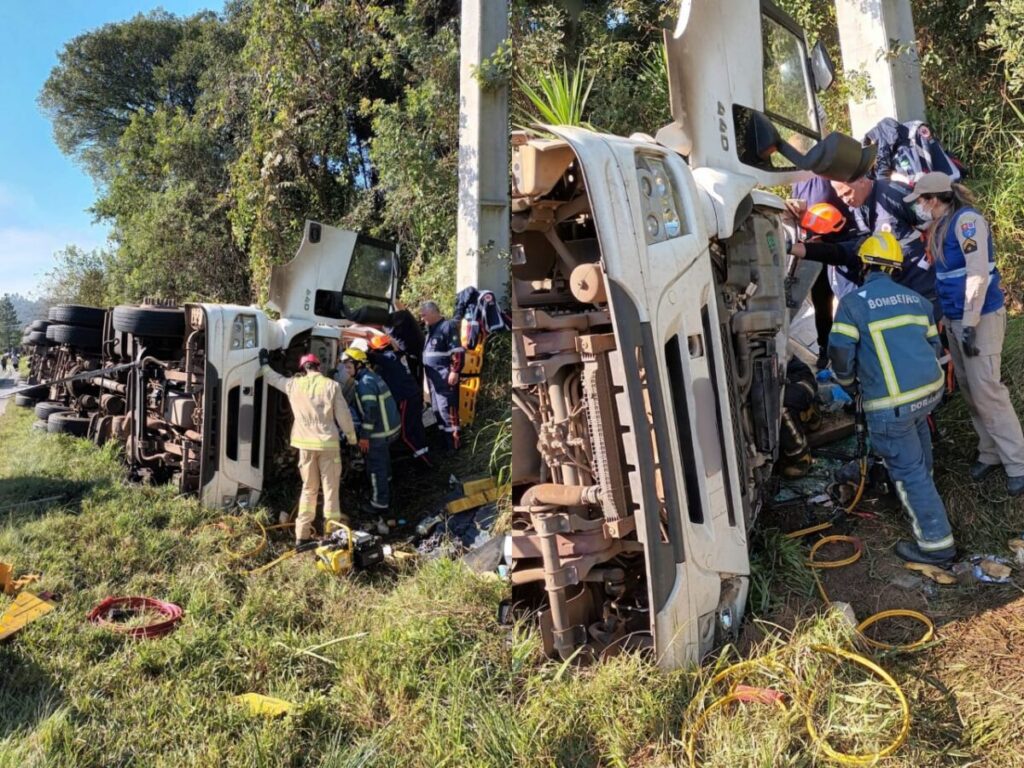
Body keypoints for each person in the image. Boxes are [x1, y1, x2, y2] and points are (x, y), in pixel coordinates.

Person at [828, 231, 954, 564]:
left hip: (891, 406)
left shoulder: (853, 304)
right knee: (918, 454)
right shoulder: (917, 301)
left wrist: (852, 386)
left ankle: (937, 544)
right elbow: (934, 347)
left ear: (863, 265)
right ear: (896, 268)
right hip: (929, 393)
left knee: (908, 469)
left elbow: (840, 356)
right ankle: (921, 495)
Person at [907, 172, 1024, 495]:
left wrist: (971, 324)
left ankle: (1018, 463)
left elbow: (977, 276)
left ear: (933, 199)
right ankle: (990, 453)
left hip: (980, 318)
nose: (919, 207)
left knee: (988, 390)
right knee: (971, 390)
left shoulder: (966, 222)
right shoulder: (941, 225)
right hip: (959, 319)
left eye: (920, 200)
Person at [258, 350, 357, 546]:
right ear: (318, 367)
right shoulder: (332, 386)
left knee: (309, 488)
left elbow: (273, 378)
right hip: (328, 445)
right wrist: (352, 439)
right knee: (330, 489)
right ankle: (331, 534)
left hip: (304, 446)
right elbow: (344, 416)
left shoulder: (294, 384)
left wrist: (264, 364)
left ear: (303, 369)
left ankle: (301, 536)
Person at [341, 346, 401, 514]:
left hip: (379, 433)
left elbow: (371, 412)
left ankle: (379, 503)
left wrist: (364, 437)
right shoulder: (372, 376)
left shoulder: (364, 384)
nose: (346, 370)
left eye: (348, 366)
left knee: (375, 467)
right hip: (390, 430)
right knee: (384, 463)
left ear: (359, 364)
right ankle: (387, 488)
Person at [368, 334, 431, 466]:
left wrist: (361, 355)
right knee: (416, 426)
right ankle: (424, 453)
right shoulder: (397, 356)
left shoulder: (389, 358)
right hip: (413, 394)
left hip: (406, 398)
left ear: (379, 349)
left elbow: (374, 357)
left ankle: (424, 461)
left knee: (406, 433)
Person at [419, 300, 463, 452]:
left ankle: (454, 445)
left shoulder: (447, 326)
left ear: (433, 312)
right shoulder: (430, 330)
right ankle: (444, 443)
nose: (422, 318)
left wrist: (455, 371)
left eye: (424, 315)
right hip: (434, 380)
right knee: (437, 410)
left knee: (447, 410)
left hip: (445, 378)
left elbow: (457, 351)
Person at [386, 302, 426, 387]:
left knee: (414, 379)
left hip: (413, 355)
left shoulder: (390, 328)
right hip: (412, 354)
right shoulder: (407, 319)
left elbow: (395, 344)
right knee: (415, 379)